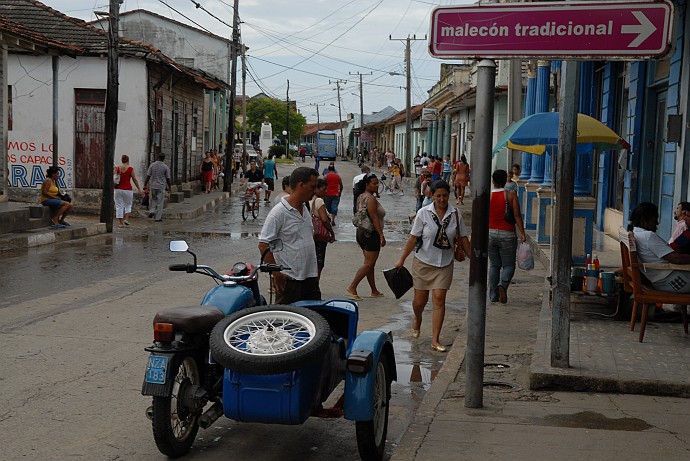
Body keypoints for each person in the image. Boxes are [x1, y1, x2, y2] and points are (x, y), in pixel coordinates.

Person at [395, 180, 471, 352]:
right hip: (423, 263)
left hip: (445, 264)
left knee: (439, 300)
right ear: (432, 195)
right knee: (420, 302)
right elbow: (413, 238)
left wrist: (473, 258)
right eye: (438, 196)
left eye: (445, 196)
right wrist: (401, 259)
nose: (442, 199)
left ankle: (435, 339)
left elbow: (464, 239)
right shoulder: (423, 213)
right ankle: (417, 318)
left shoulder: (456, 214)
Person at [258, 167, 321, 304]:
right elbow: (263, 244)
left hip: (310, 279)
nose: (315, 191)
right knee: (285, 321)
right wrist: (276, 273)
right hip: (290, 280)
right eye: (312, 187)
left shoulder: (305, 208)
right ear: (301, 185)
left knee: (315, 320)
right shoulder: (279, 212)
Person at [630, 202, 690, 293]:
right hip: (675, 281)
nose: (657, 223)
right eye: (654, 220)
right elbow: (677, 259)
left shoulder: (636, 234)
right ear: (643, 221)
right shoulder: (648, 236)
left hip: (662, 282)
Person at [488, 169, 527, 304]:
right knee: (509, 265)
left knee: (494, 265)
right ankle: (502, 285)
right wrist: (522, 233)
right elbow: (517, 215)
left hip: (490, 234)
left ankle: (493, 295)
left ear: (493, 181)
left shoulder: (488, 195)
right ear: (505, 181)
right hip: (508, 234)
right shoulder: (511, 195)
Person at [346, 174, 386, 300]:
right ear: (367, 184)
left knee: (370, 264)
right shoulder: (370, 199)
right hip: (371, 234)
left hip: (361, 232)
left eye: (377, 183)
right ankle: (352, 286)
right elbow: (374, 218)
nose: (377, 186)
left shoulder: (361, 196)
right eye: (374, 184)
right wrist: (381, 235)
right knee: (369, 264)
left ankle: (374, 290)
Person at [311, 178, 336, 279]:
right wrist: (332, 233)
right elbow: (324, 220)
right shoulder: (319, 200)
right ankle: (314, 285)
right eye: (323, 189)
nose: (325, 191)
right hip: (319, 238)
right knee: (318, 263)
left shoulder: (308, 198)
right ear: (316, 188)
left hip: (310, 236)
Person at [114, 154, 142, 227]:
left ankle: (121, 223)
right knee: (128, 205)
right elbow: (134, 179)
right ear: (128, 160)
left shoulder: (118, 168)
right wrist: (139, 189)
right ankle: (126, 219)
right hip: (128, 190)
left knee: (119, 206)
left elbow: (113, 177)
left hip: (118, 189)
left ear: (121, 160)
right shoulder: (130, 169)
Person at [144, 153, 171, 222]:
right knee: (160, 202)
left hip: (153, 186)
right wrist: (169, 187)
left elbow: (148, 175)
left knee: (153, 199)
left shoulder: (152, 165)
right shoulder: (165, 167)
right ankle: (158, 218)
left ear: (157, 157)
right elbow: (168, 178)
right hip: (161, 186)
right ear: (163, 159)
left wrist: (145, 184)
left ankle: (152, 211)